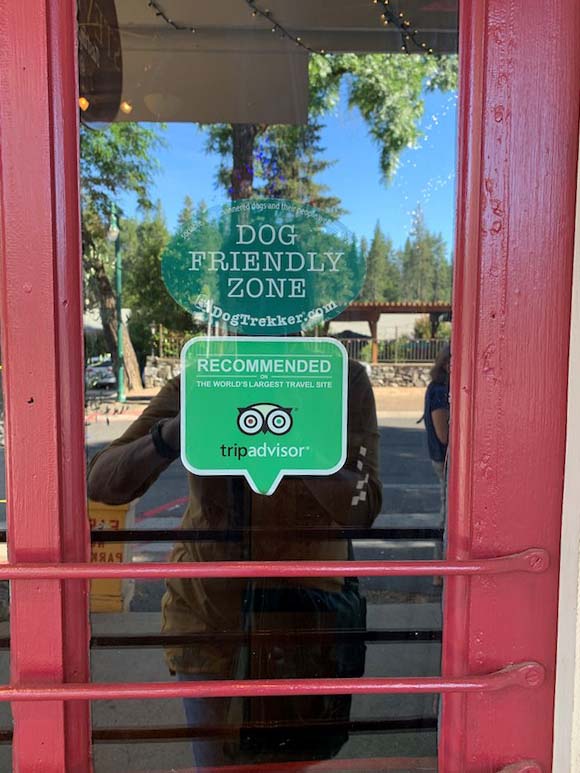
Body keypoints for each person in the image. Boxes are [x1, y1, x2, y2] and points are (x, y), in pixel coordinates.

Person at [87, 356, 382, 766]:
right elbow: (103, 483)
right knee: (218, 764)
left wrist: (291, 443)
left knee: (286, 764)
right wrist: (174, 434)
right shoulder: (203, 379)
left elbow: (361, 505)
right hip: (210, 619)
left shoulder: (340, 379)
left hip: (301, 620)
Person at [423, 344, 450, 520]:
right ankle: (442, 547)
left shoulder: (436, 388)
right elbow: (444, 435)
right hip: (444, 459)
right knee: (448, 511)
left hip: (440, 457)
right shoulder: (440, 391)